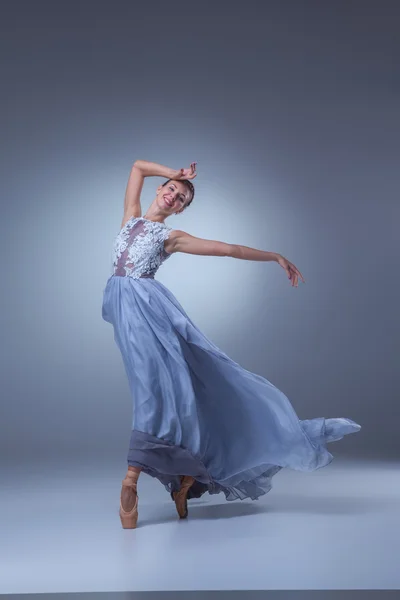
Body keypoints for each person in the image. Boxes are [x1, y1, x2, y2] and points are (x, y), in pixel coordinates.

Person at [102, 159, 361, 529]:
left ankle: (131, 482)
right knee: (170, 394)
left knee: (153, 393)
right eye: (172, 189)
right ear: (160, 190)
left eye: (182, 199)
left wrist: (274, 256)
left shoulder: (169, 237)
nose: (174, 196)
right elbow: (137, 167)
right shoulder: (130, 217)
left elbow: (228, 249)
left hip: (149, 315)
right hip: (128, 313)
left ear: (181, 210)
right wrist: (177, 172)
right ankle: (186, 476)